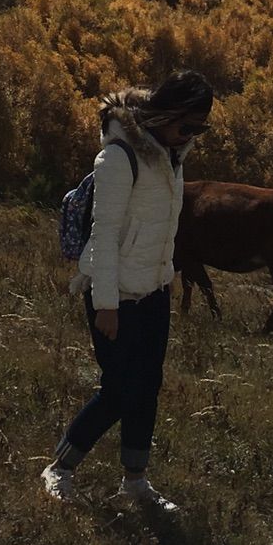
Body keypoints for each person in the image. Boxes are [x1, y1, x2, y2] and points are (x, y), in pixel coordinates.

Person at [41, 69, 215, 512]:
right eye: (187, 125)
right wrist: (106, 304)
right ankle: (59, 468)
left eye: (200, 128)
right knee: (118, 390)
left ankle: (135, 481)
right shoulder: (120, 158)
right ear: (165, 114)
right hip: (114, 295)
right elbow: (105, 235)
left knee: (147, 387)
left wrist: (164, 280)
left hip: (153, 292)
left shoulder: (172, 157)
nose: (191, 135)